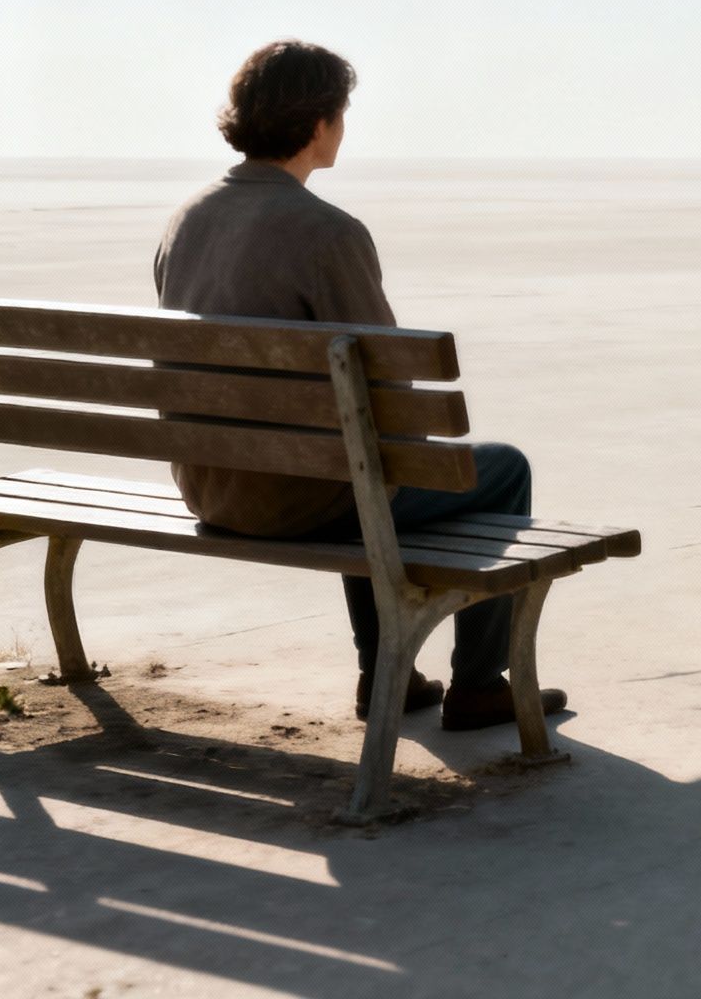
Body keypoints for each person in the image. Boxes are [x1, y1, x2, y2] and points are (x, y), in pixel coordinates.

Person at [153, 39, 566, 731]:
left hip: (211, 486)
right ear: (318, 124)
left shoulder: (186, 218)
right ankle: (480, 684)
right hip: (296, 499)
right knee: (497, 470)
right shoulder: (327, 234)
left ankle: (388, 674)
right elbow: (388, 382)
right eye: (341, 114)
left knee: (349, 459)